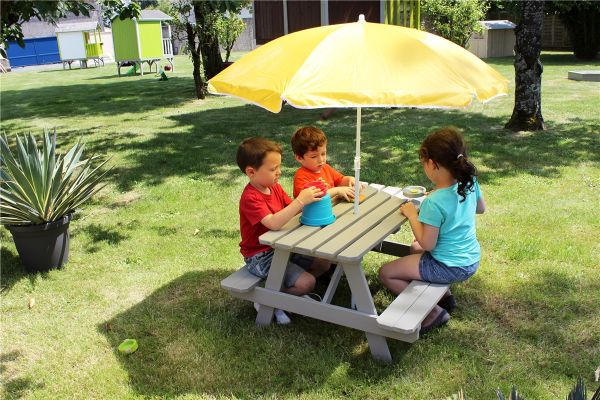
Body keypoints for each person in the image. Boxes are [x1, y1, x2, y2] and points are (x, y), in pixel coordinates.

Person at [379, 127, 486, 334]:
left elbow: (429, 244)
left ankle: (433, 313)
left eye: (423, 165)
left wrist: (412, 215)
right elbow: (480, 208)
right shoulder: (469, 182)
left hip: (448, 265)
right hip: (470, 259)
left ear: (432, 164)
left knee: (386, 273)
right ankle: (445, 297)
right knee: (414, 248)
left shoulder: (433, 202)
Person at [236, 137, 331, 324]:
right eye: (273, 169)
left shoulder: (274, 187)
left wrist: (313, 194)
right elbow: (273, 223)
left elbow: (293, 210)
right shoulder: (251, 198)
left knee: (324, 263)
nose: (279, 172)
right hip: (261, 256)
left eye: (279, 167)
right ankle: (269, 301)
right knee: (307, 283)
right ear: (251, 172)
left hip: (282, 246)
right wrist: (301, 200)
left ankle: (285, 294)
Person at [291, 126, 356, 201]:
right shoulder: (301, 177)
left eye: (323, 154)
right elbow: (312, 198)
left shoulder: (325, 167)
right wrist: (337, 191)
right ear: (299, 158)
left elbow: (340, 181)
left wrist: (350, 180)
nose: (321, 160)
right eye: (314, 157)